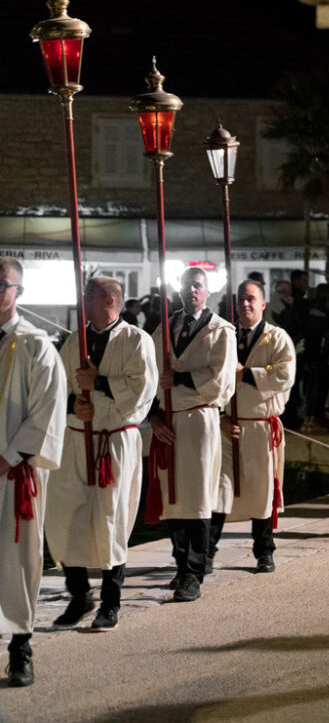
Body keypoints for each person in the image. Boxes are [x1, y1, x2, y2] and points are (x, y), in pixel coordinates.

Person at [45, 277, 157, 632]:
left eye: (88, 295)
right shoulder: (76, 340)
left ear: (109, 299)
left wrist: (101, 386)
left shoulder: (136, 340)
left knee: (112, 518)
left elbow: (143, 389)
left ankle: (111, 601)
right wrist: (74, 406)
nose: (83, 301)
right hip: (77, 440)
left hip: (114, 442)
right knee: (66, 517)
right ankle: (79, 594)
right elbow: (58, 386)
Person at [148, 266, 237, 603]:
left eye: (198, 286)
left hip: (200, 421)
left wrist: (181, 381)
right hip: (169, 420)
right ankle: (180, 562)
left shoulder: (221, 331)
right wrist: (154, 415)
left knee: (198, 496)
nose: (192, 291)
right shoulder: (165, 328)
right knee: (172, 497)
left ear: (208, 290)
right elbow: (149, 371)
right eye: (187, 286)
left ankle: (193, 573)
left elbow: (222, 381)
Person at [0, 258, 67, 687]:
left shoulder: (35, 345)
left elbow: (48, 407)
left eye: (2, 284)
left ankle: (20, 646)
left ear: (18, 292)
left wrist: (11, 455)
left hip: (13, 471)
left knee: (17, 557)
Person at [213, 280, 295, 573]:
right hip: (228, 425)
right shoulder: (225, 336)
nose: (245, 304)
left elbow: (281, 371)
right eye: (240, 300)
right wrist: (219, 416)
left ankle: (264, 550)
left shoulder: (277, 338)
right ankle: (206, 553)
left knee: (263, 492)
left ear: (263, 303)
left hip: (261, 426)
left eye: (251, 299)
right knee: (220, 490)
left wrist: (246, 372)